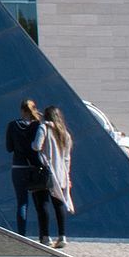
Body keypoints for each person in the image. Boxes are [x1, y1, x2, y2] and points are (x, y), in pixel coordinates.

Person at [5, 98, 53, 244]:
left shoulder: (12, 125)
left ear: (21, 110)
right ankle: (44, 236)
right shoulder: (38, 125)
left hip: (18, 168)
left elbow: (9, 148)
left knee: (22, 203)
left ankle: (22, 236)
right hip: (34, 168)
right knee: (40, 203)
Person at [42, 106, 76, 249]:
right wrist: (67, 177)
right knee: (59, 204)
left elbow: (36, 146)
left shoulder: (45, 128)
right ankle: (62, 236)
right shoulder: (65, 134)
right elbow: (67, 158)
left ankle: (46, 236)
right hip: (61, 173)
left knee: (43, 203)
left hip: (47, 172)